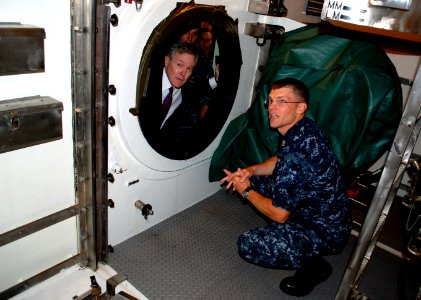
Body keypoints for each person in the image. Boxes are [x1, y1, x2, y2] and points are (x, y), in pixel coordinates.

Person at [220, 78, 352, 297]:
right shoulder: (303, 127)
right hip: (319, 210)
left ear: (300, 108)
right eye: (270, 101)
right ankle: (291, 229)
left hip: (325, 230)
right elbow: (279, 160)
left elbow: (279, 214)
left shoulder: (297, 153)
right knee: (257, 181)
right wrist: (251, 171)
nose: (272, 107)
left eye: (281, 101)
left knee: (249, 245)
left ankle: (315, 266)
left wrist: (245, 190)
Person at [139, 42, 198, 158]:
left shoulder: (185, 91)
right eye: (179, 65)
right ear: (167, 61)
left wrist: (216, 79)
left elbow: (200, 89)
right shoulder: (145, 82)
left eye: (189, 68)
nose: (183, 73)